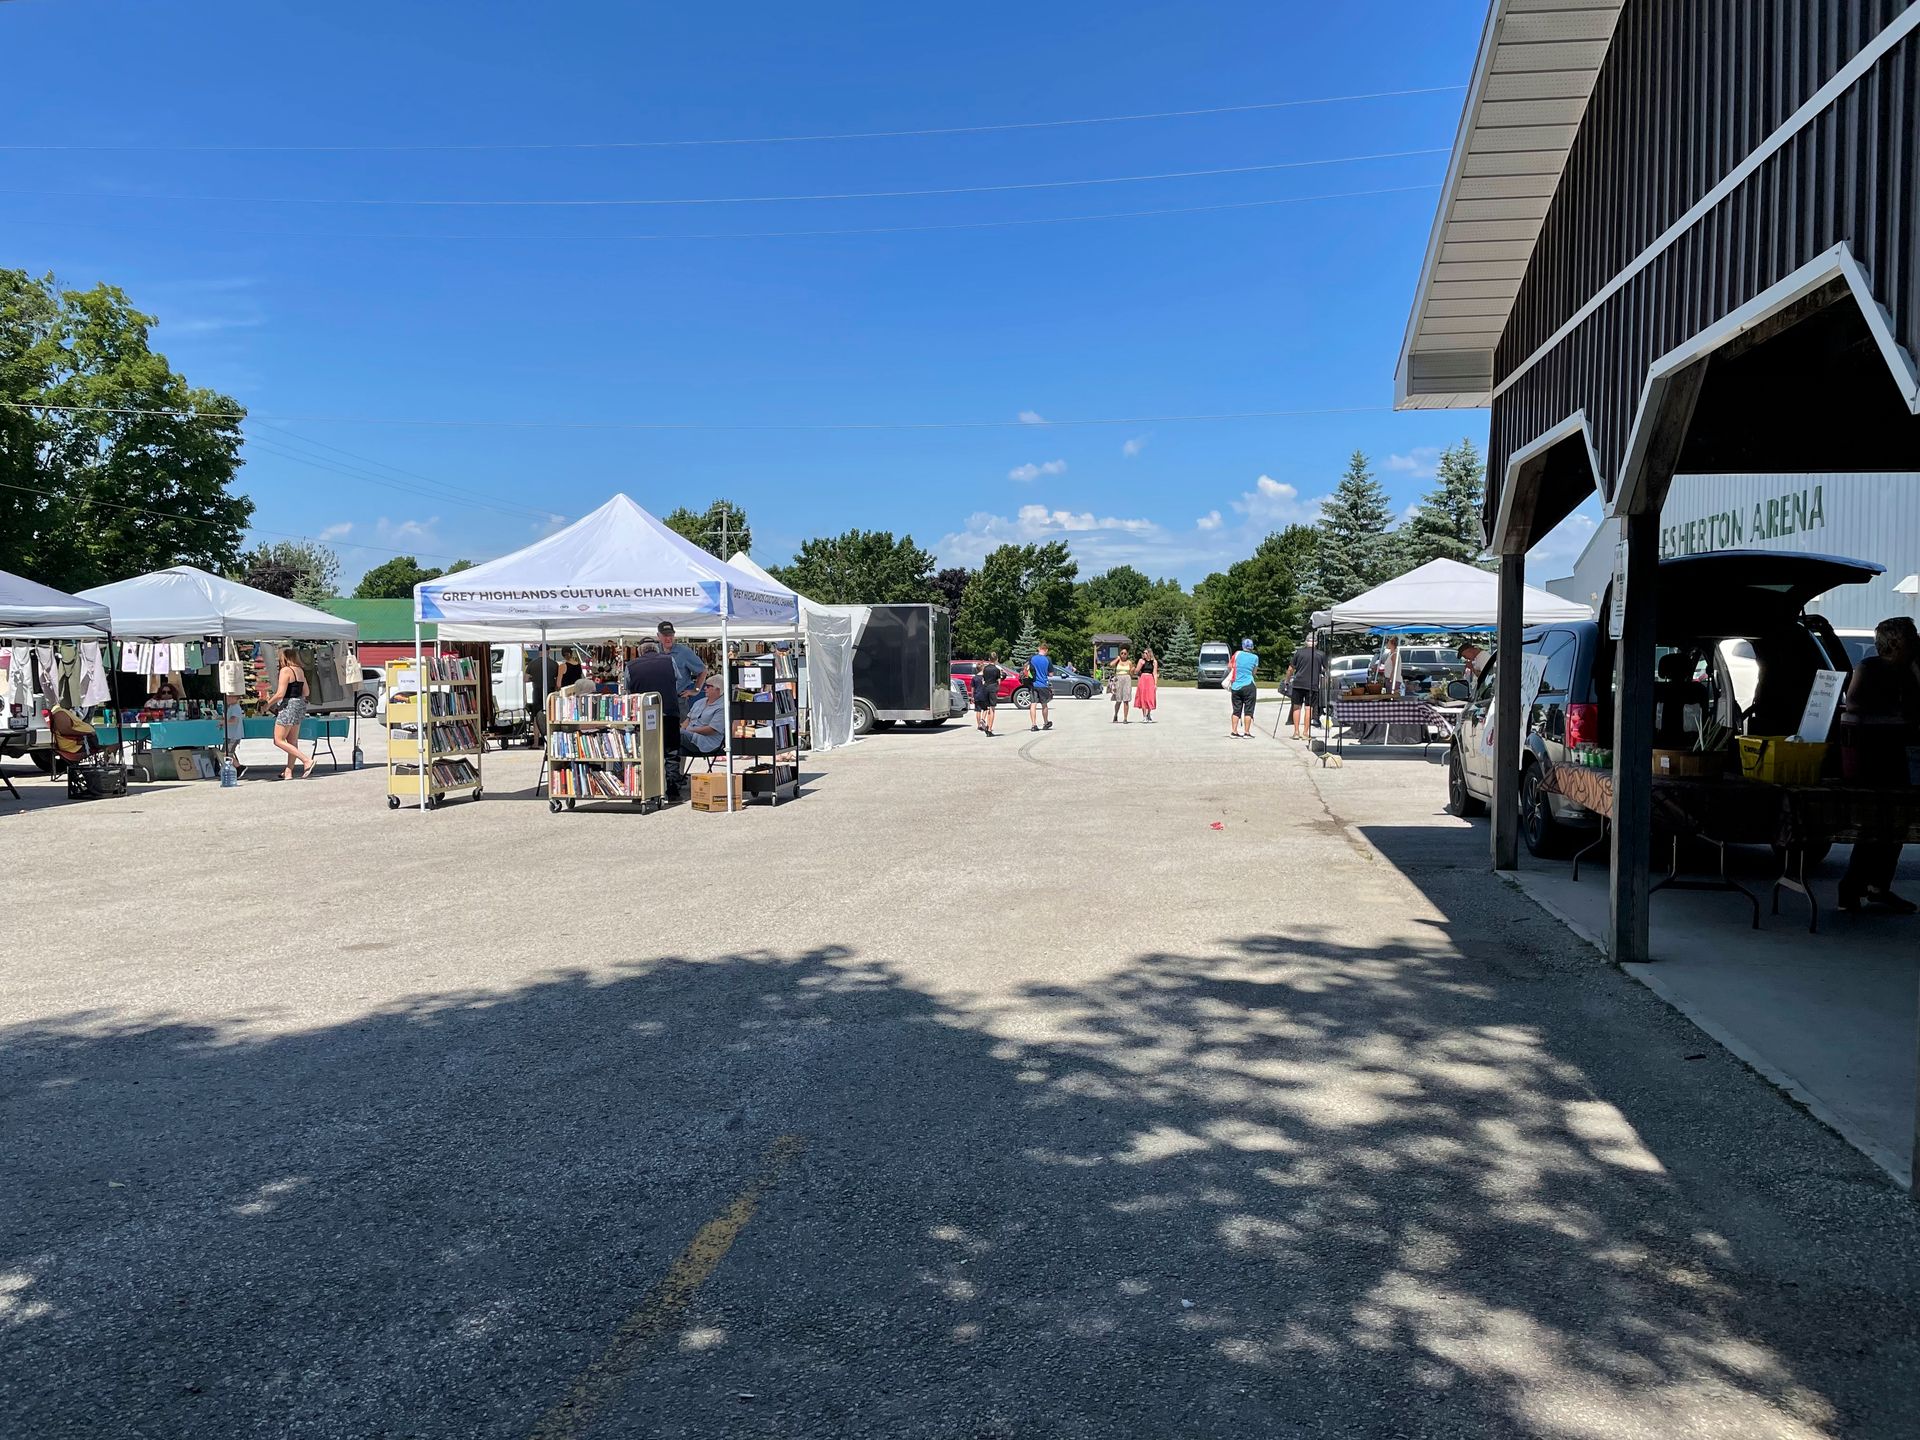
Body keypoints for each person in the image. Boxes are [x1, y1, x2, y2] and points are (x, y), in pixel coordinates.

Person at [1837, 616, 1920, 914]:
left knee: (1896, 825)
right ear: (1895, 643)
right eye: (1911, 637)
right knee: (1874, 825)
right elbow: (1855, 705)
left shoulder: (1909, 670)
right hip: (1873, 757)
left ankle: (1878, 886)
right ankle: (1851, 888)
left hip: (1900, 756)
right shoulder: (1870, 668)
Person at [264, 646, 313, 780]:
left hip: (288, 705)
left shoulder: (285, 671)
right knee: (292, 741)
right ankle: (288, 771)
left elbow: (280, 694)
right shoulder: (300, 670)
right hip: (299, 705)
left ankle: (306, 760)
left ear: (284, 658)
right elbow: (306, 692)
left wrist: (268, 704)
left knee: (278, 740)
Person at [656, 621, 708, 712]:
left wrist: (696, 690)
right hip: (657, 701)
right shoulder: (655, 651)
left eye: (670, 635)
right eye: (665, 635)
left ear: (674, 635)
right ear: (658, 636)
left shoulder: (684, 652)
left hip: (678, 701)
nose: (668, 638)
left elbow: (703, 670)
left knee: (680, 722)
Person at [1285, 633, 1326, 740]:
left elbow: (1290, 669)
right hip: (1312, 685)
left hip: (1298, 683)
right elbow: (1326, 670)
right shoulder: (1320, 654)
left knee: (1296, 707)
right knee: (1309, 708)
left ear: (1306, 641)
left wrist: (1287, 681)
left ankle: (1296, 732)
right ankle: (1306, 733)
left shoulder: (1299, 652)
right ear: (1316, 643)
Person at [681, 673, 727, 759]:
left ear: (718, 689)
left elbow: (712, 730)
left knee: (673, 735)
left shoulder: (722, 707)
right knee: (667, 732)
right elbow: (688, 719)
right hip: (689, 736)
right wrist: (682, 729)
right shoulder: (700, 702)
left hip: (707, 742)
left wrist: (690, 730)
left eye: (708, 686)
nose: (705, 688)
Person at [1228, 638, 1259, 737]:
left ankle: (1234, 731)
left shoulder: (1237, 654)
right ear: (1252, 647)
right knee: (1248, 710)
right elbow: (1254, 672)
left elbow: (1230, 667)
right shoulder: (1255, 657)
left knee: (1236, 710)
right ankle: (1246, 732)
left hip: (1236, 686)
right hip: (1249, 685)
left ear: (1243, 646)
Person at [1027, 641, 1055, 732]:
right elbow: (1051, 674)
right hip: (1043, 684)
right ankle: (1046, 723)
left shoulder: (1032, 658)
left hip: (1033, 684)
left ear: (1039, 649)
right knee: (1044, 705)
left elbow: (1027, 669)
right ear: (1046, 650)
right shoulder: (1048, 659)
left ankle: (1033, 725)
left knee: (1033, 704)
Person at [973, 653, 1003, 735]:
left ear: (989, 659)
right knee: (992, 709)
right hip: (993, 689)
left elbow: (983, 679)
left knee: (987, 707)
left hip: (985, 689)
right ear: (997, 659)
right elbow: (999, 681)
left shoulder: (985, 668)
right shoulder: (997, 670)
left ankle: (986, 725)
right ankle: (989, 729)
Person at [1109, 646, 1134, 724]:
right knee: (1118, 700)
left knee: (1126, 700)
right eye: (1122, 653)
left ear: (1127, 654)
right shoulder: (1118, 661)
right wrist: (1117, 658)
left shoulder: (1129, 662)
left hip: (1127, 680)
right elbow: (1111, 664)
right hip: (1118, 680)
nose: (1123, 655)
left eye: (1125, 653)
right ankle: (1115, 715)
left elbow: (1132, 673)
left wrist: (1132, 671)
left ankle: (1125, 718)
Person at [1133, 646, 1158, 723]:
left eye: (1146, 653)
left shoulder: (1154, 662)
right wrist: (1137, 666)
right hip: (1143, 679)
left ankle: (1148, 714)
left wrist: (1155, 684)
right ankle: (1144, 716)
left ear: (1149, 654)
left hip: (1150, 679)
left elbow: (1155, 673)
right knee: (1143, 697)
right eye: (1143, 653)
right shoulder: (1141, 661)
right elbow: (1136, 671)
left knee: (1150, 697)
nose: (1144, 654)